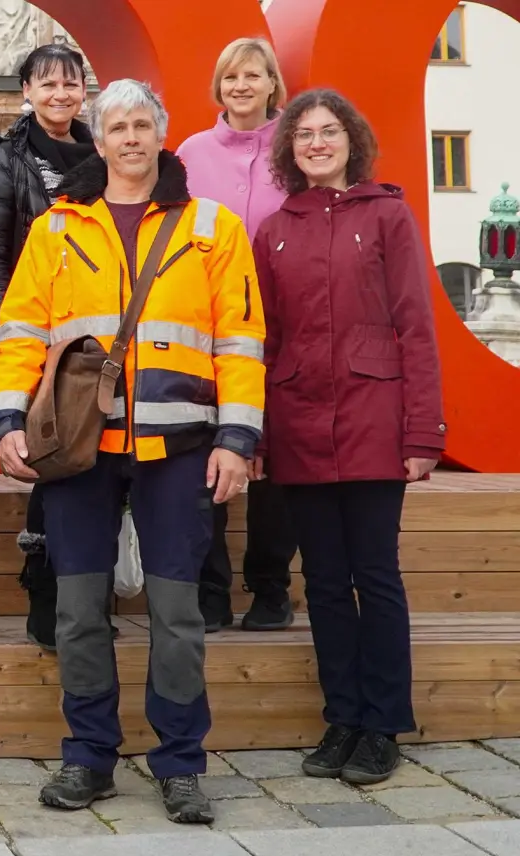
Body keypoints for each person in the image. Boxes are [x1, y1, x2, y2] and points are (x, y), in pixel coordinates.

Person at [0, 79, 266, 824]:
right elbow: (20, 332)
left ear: (161, 133)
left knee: (177, 613)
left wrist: (237, 438)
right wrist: (8, 420)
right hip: (79, 447)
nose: (131, 137)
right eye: (118, 126)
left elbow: (242, 342)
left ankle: (181, 765)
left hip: (181, 446)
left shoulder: (211, 226)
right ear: (100, 138)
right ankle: (88, 757)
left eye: (143, 124)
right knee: (79, 610)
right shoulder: (56, 227)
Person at [257, 89, 444, 786]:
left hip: (374, 422)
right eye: (303, 133)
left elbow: (416, 327)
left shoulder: (388, 215)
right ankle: (342, 718)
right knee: (325, 582)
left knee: (376, 575)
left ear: (351, 140)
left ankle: (383, 724)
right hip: (300, 423)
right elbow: (265, 339)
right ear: (290, 148)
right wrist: (258, 434)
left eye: (328, 131)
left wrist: (423, 431)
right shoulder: (274, 230)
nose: (316, 142)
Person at [0, 44, 98, 652]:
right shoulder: (3, 160)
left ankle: (86, 602)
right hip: (35, 337)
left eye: (70, 84)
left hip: (94, 343)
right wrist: (13, 330)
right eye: (47, 84)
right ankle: (45, 600)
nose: (59, 94)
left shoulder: (100, 156)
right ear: (26, 90)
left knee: (90, 462)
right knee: (52, 461)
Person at [176, 36, 296, 634]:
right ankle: (210, 590)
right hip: (206, 331)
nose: (241, 86)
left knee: (276, 461)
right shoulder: (190, 154)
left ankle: (271, 588)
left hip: (284, 329)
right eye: (231, 76)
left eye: (253, 75)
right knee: (205, 453)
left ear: (273, 83)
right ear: (218, 87)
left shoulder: (297, 149)